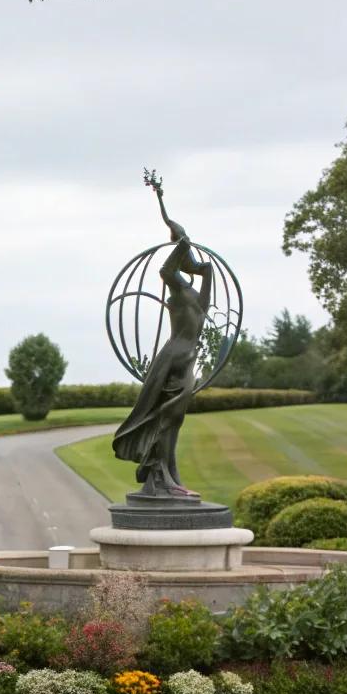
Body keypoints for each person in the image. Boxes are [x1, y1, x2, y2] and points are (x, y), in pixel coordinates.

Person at [112, 176, 211, 498]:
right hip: (171, 359)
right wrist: (179, 238)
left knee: (175, 418)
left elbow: (206, 271)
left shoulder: (199, 297)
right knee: (166, 416)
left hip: (188, 361)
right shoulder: (176, 287)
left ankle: (168, 474)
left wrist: (199, 264)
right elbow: (166, 269)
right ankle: (159, 474)